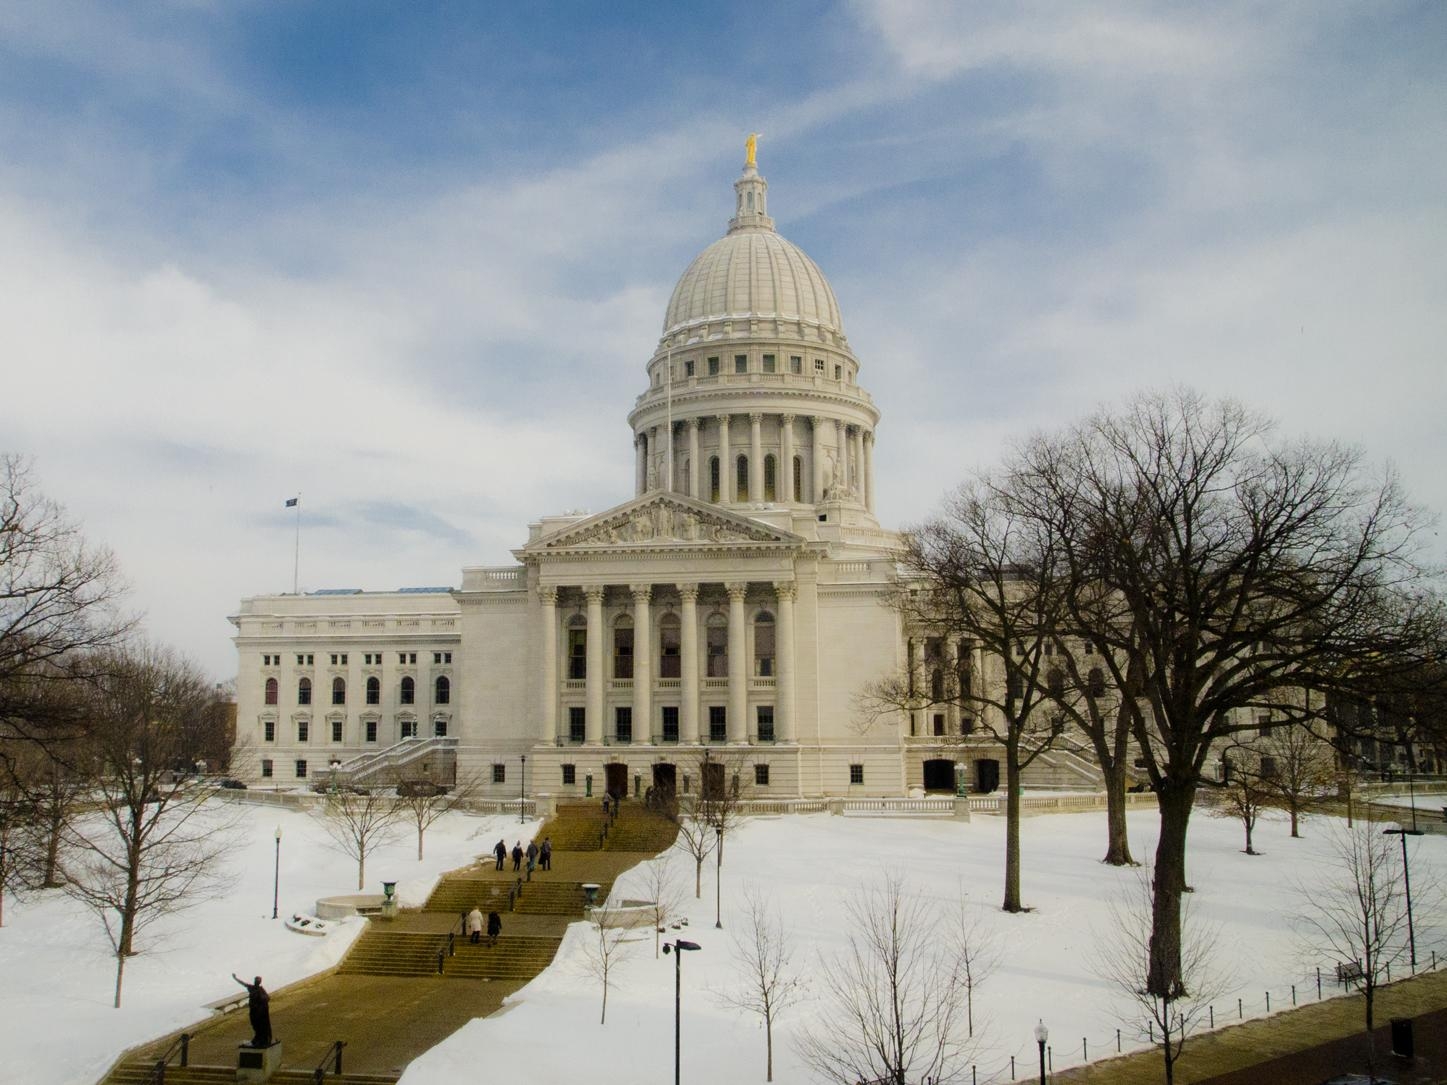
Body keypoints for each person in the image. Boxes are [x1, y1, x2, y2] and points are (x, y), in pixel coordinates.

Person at [230, 973, 273, 1048]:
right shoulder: (251, 988)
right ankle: (258, 1037)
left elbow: (267, 998)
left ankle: (261, 1039)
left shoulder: (261, 990)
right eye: (256, 980)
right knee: (255, 1024)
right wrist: (235, 978)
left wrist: (261, 999)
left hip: (260, 1012)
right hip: (254, 1011)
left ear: (260, 982)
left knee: (260, 1025)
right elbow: (243, 983)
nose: (257, 982)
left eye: (258, 980)